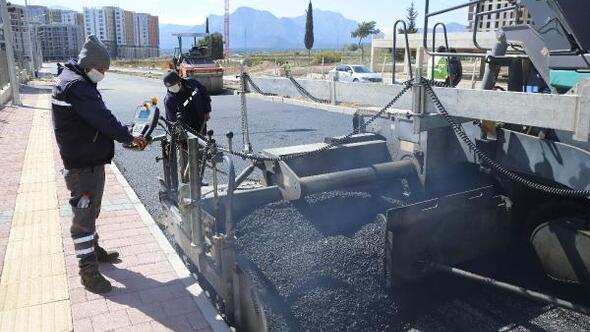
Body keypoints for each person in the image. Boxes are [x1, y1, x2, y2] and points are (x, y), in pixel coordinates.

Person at [52, 35, 147, 294]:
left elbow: (95, 120)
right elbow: (102, 118)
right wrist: (129, 137)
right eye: (102, 69)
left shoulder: (74, 78)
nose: (103, 74)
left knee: (91, 211)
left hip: (88, 160)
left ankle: (93, 248)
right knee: (83, 218)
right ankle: (88, 272)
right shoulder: (76, 86)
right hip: (82, 165)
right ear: (89, 65)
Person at [163, 70, 212, 135]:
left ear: (179, 81)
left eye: (174, 87)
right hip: (185, 132)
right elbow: (172, 122)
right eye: (171, 88)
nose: (173, 90)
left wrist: (207, 111)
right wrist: (179, 136)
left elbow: (204, 94)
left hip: (200, 122)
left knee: (202, 143)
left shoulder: (192, 83)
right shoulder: (169, 100)